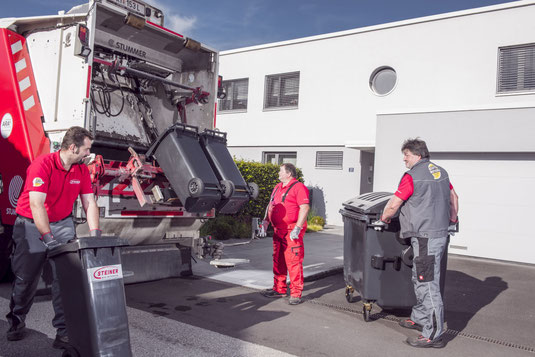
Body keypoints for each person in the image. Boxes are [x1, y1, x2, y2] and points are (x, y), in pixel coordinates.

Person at [6, 126, 101, 349]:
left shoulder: (81, 171)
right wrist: (47, 237)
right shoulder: (42, 165)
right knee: (26, 278)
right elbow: (36, 204)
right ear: (72, 147)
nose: (89, 154)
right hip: (31, 224)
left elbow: (89, 203)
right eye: (86, 149)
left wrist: (95, 234)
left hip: (63, 224)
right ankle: (16, 321)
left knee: (66, 279)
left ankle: (64, 332)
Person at [380, 138, 459, 349]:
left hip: (425, 236)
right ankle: (420, 318)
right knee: (420, 276)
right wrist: (452, 221)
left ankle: (433, 334)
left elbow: (394, 203)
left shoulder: (412, 175)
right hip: (436, 234)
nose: (404, 159)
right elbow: (454, 197)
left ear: (417, 155)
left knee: (427, 284)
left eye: (406, 155)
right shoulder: (440, 172)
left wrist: (384, 218)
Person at [260, 163, 310, 305]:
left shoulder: (299, 188)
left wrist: (298, 228)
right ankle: (279, 289)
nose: (278, 174)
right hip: (278, 230)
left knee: (293, 262)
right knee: (278, 260)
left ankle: (295, 293)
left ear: (289, 174)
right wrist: (265, 222)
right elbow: (270, 205)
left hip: (291, 231)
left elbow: (305, 208)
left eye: (281, 171)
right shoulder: (277, 187)